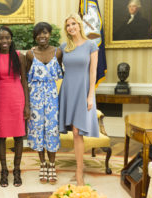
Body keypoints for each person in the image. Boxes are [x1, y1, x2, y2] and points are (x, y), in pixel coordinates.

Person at [59, 13, 99, 186]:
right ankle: (78, 169)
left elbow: (93, 72)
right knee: (74, 132)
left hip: (83, 92)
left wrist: (90, 95)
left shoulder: (91, 45)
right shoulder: (63, 47)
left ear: (80, 25)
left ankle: (79, 171)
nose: (71, 27)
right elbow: (54, 67)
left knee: (77, 132)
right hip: (68, 91)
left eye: (73, 24)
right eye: (68, 25)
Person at [0, 26, 29, 187]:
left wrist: (27, 104)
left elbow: (24, 81)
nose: (4, 41)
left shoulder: (20, 56)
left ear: (11, 39)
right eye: (1, 38)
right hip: (1, 98)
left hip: (17, 97)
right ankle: (4, 171)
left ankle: (17, 171)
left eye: (7, 38)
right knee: (2, 136)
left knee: (19, 136)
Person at [26, 22, 63, 185]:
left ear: (50, 34)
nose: (42, 36)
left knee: (52, 130)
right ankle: (42, 164)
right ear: (35, 36)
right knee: (38, 130)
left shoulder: (58, 52)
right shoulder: (29, 54)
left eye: (45, 33)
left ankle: (52, 165)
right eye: (39, 33)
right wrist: (27, 103)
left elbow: (62, 75)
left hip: (53, 98)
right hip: (35, 98)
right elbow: (25, 78)